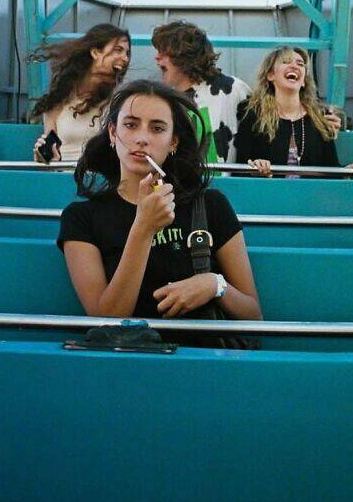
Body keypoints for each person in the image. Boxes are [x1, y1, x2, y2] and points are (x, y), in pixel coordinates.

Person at [57, 80, 261, 334]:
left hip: (202, 354)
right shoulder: (81, 218)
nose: (142, 138)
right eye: (130, 125)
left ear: (173, 142)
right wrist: (143, 227)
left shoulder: (210, 205)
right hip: (128, 355)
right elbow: (107, 320)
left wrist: (214, 285)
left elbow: (254, 316)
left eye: (157, 128)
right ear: (112, 133)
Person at [235, 45, 353, 177]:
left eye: (300, 64)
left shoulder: (320, 118)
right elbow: (240, 168)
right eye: (286, 62)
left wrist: (345, 171)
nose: (294, 66)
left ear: (304, 81)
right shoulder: (253, 114)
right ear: (270, 75)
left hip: (311, 190)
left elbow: (330, 168)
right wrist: (255, 168)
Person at [151, 20, 251, 162]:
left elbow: (258, 135)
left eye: (163, 52)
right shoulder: (164, 101)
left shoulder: (233, 89)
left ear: (183, 55)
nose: (156, 57)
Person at [30, 24, 131, 162]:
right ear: (95, 52)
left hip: (100, 173)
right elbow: (51, 153)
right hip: (63, 172)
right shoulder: (58, 101)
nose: (125, 58)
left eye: (127, 53)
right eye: (118, 50)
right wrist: (43, 156)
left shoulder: (119, 102)